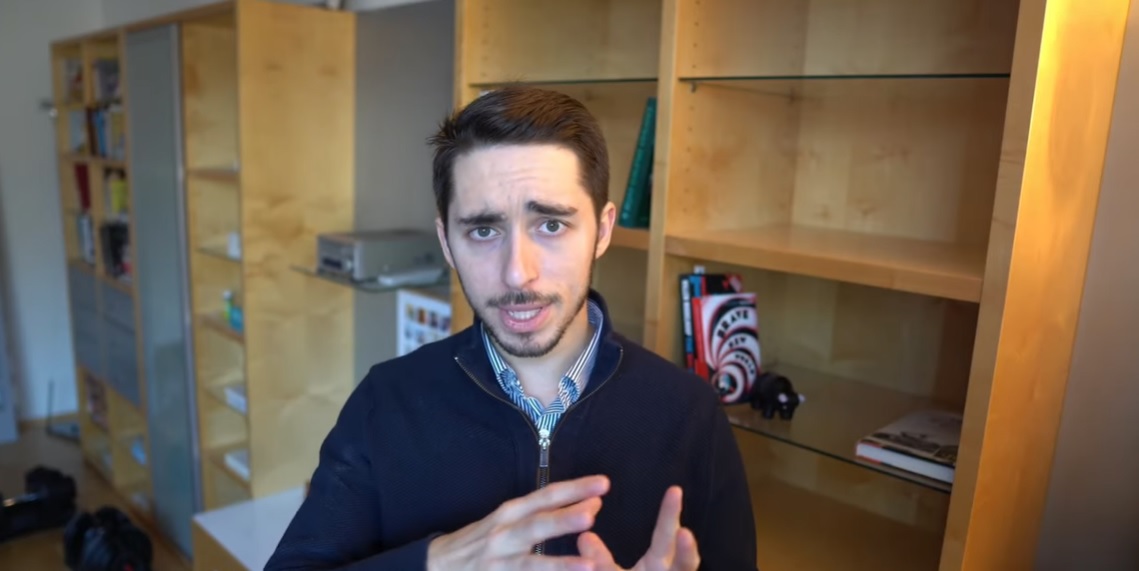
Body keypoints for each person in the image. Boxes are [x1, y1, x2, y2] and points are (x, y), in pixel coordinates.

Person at [264, 86, 758, 571]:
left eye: (551, 225)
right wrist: (437, 563)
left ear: (603, 231)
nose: (518, 273)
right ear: (446, 241)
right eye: (484, 230)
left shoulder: (690, 413)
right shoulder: (385, 401)